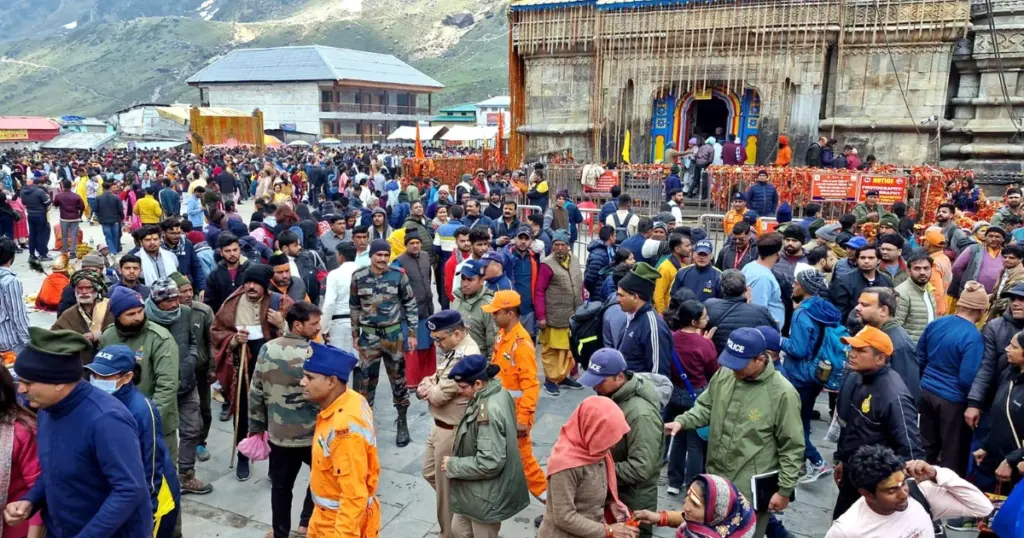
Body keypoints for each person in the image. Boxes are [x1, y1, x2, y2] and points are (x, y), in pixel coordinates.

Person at [6, 328, 152, 537]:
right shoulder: (47, 409)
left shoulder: (107, 419)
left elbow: (129, 489)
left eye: (28, 382)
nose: (21, 390)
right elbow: (53, 470)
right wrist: (31, 500)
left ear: (59, 383)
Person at [667, 327, 804, 538]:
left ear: (760, 360)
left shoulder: (783, 394)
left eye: (739, 364)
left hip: (748, 489)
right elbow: (705, 406)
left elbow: (792, 447)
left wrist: (784, 491)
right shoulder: (725, 374)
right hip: (716, 483)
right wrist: (683, 422)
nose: (733, 369)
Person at [209, 264, 294, 480]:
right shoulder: (232, 303)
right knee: (243, 415)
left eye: (256, 283)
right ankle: (243, 457)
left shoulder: (281, 302)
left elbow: (300, 333)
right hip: (243, 368)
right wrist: (234, 340)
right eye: (248, 282)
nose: (251, 287)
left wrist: (282, 324)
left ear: (265, 286)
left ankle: (275, 465)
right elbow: (217, 331)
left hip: (273, 369)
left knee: (275, 417)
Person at [85, 345, 180, 537]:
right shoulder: (95, 401)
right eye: (94, 375)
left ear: (127, 377)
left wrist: (148, 512)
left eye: (105, 376)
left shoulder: (142, 410)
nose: (96, 381)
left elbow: (151, 465)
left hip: (153, 498)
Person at [833, 326, 922, 519]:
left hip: (876, 486)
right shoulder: (854, 378)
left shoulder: (895, 396)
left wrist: (893, 492)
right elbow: (849, 427)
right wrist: (842, 460)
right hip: (852, 476)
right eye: (852, 348)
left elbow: (911, 451)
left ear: (880, 358)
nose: (852, 354)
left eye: (860, 350)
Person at [248, 301, 320, 538]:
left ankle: (280, 533)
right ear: (297, 325)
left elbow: (256, 391)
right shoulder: (315, 353)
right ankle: (306, 522)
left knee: (281, 488)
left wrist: (256, 428)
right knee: (321, 479)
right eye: (314, 324)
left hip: (279, 435)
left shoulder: (267, 349)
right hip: (312, 436)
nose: (319, 327)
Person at [298, 341, 380, 538]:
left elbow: (353, 497)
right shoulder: (349, 398)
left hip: (337, 525)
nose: (302, 382)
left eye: (310, 377)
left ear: (332, 381)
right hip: (324, 519)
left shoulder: (344, 431)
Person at [578, 349, 663, 537]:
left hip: (632, 502)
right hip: (613, 494)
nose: (595, 386)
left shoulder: (640, 415)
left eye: (600, 381)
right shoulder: (610, 397)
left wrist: (599, 470)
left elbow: (641, 468)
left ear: (620, 378)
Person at [444, 354, 530, 538]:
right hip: (477, 491)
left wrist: (453, 465)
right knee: (459, 530)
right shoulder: (497, 392)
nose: (460, 392)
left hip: (486, 496)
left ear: (478, 383)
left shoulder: (488, 411)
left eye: (463, 387)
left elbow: (489, 462)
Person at [825, 446, 993, 538]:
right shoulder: (847, 531)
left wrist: (937, 473)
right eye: (892, 490)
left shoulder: (919, 493)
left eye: (903, 483)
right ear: (867, 493)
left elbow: (982, 507)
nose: (904, 494)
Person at [417, 310, 480, 538]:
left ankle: (449, 533)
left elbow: (438, 396)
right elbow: (434, 378)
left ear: (457, 334)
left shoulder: (465, 356)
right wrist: (430, 385)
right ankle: (462, 510)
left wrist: (429, 387)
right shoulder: (453, 348)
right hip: (439, 426)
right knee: (430, 473)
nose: (437, 345)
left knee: (445, 490)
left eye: (440, 339)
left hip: (451, 432)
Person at [538, 396, 638, 538]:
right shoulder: (564, 465)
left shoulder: (598, 451)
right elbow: (564, 516)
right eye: (607, 438)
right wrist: (609, 530)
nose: (613, 445)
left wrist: (612, 504)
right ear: (592, 431)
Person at [915, 281, 987, 477]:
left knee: (926, 446)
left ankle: (918, 482)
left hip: (926, 391)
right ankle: (946, 489)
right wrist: (974, 403)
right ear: (981, 310)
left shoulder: (937, 323)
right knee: (951, 454)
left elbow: (920, 356)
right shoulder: (973, 337)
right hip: (952, 401)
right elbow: (967, 377)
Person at [350, 239, 418, 447]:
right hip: (368, 337)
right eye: (379, 255)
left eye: (386, 255)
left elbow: (410, 303)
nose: (383, 259)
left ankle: (402, 421)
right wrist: (355, 333)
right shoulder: (359, 276)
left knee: (398, 380)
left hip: (393, 336)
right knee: (365, 383)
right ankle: (365, 425)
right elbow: (354, 306)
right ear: (371, 255)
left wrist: (412, 333)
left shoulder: (398, 275)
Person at [98, 284, 180, 452]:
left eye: (140, 311)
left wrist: (146, 419)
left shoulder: (160, 338)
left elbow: (167, 386)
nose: (137, 317)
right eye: (130, 314)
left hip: (155, 423)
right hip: (117, 422)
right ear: (117, 315)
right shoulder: (108, 336)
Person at [779, 269, 840, 483]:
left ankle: (816, 461)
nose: (793, 285)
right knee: (803, 419)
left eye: (796, 283)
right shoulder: (823, 307)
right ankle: (802, 462)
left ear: (804, 287)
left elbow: (798, 349)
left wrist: (778, 340)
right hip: (818, 373)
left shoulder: (802, 313)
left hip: (799, 375)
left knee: (794, 424)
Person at [535, 231, 585, 396]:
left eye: (562, 244)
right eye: (556, 244)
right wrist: (541, 316)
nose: (559, 248)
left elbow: (580, 285)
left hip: (573, 315)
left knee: (568, 350)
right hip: (554, 315)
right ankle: (550, 380)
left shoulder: (575, 261)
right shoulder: (547, 265)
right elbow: (539, 291)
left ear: (568, 246)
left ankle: (562, 377)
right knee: (553, 351)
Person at [633, 474, 756, 538]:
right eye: (687, 496)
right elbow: (687, 519)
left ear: (715, 513)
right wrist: (659, 517)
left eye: (695, 503)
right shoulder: (720, 524)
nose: (685, 507)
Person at [616, 263, 673, 377]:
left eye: (621, 295)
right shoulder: (630, 317)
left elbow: (658, 377)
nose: (617, 299)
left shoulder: (653, 327)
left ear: (635, 297)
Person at [703, 269, 777, 354]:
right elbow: (774, 336)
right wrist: (749, 304)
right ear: (745, 288)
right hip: (747, 358)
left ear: (721, 288)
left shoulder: (709, 305)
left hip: (716, 357)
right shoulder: (761, 311)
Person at [52, 269, 115, 364]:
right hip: (81, 364)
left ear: (96, 288)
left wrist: (98, 335)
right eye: (80, 288)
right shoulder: (69, 314)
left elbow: (123, 331)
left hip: (111, 361)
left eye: (88, 287)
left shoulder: (110, 307)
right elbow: (55, 337)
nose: (84, 292)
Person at [831, 244, 894, 329]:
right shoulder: (843, 280)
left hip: (880, 330)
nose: (866, 261)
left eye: (871, 258)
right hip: (852, 329)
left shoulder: (886, 280)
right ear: (857, 260)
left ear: (879, 260)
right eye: (863, 258)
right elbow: (839, 310)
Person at [454, 260, 497, 359]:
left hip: (477, 361)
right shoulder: (457, 300)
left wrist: (488, 366)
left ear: (481, 281)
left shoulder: (488, 306)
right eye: (463, 278)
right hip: (457, 359)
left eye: (470, 280)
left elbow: (494, 344)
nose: (465, 284)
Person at [893, 250, 938, 344]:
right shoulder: (902, 293)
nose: (922, 272)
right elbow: (895, 327)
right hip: (911, 348)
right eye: (917, 269)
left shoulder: (929, 289)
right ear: (909, 271)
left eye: (926, 268)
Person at [321, 241, 359, 350]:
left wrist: (324, 327)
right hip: (361, 323)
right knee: (358, 359)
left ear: (341, 256)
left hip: (339, 324)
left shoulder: (334, 274)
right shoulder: (364, 272)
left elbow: (329, 303)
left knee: (339, 357)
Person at [741, 233, 785, 327]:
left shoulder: (750, 266)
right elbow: (758, 313)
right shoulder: (763, 278)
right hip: (764, 331)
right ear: (778, 253)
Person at [204, 233, 250, 315]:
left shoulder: (250, 270)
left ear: (239, 250)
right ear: (221, 252)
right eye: (228, 251)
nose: (232, 254)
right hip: (223, 318)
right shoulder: (214, 275)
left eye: (235, 250)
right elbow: (210, 302)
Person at [671, 239, 720, 304]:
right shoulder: (682, 273)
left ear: (711, 256)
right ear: (693, 254)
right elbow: (673, 296)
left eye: (705, 254)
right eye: (699, 254)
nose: (702, 257)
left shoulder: (719, 276)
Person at [652, 233, 692, 313]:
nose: (690, 248)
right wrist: (662, 315)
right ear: (677, 249)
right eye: (687, 246)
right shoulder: (665, 268)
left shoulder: (683, 264)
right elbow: (658, 295)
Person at [921, 227, 951, 315]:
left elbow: (935, 290)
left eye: (925, 241)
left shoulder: (933, 263)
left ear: (929, 244)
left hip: (936, 307)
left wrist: (935, 310)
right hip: (944, 302)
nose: (923, 243)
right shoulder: (944, 258)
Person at [989, 243, 1024, 319]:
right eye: (1005, 257)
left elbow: (1010, 300)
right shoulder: (1004, 271)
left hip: (1009, 315)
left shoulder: (1020, 276)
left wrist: (995, 305)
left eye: (1011, 258)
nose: (1007, 260)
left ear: (1020, 260)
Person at [52, 179, 85, 260]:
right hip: (75, 218)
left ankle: (65, 252)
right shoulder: (76, 196)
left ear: (63, 186)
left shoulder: (59, 196)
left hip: (64, 218)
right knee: (74, 235)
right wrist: (79, 215)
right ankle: (73, 253)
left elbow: (55, 204)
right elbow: (82, 207)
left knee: (64, 235)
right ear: (71, 186)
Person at [584, 226, 616, 300]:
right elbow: (590, 278)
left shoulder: (610, 250)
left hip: (604, 291)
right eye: (614, 235)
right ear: (610, 237)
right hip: (598, 294)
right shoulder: (598, 254)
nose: (615, 238)